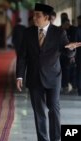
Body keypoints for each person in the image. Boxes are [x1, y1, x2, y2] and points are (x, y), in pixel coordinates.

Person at [16, 3, 81, 141]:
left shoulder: (59, 33)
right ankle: (43, 139)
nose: (34, 18)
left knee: (54, 108)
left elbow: (66, 52)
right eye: (34, 15)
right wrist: (19, 76)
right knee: (39, 112)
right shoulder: (27, 33)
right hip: (34, 78)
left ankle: (56, 138)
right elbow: (22, 56)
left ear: (47, 18)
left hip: (53, 78)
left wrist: (71, 49)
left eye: (38, 16)